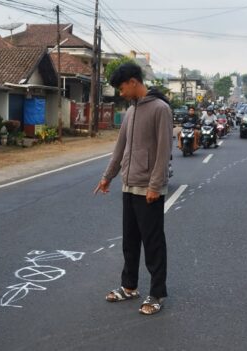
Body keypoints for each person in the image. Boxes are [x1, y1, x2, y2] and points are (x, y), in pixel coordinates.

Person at [94, 62, 172, 316]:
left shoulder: (160, 109)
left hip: (148, 189)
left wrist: (155, 185)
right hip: (129, 186)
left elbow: (163, 152)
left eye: (121, 87)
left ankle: (157, 293)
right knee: (129, 241)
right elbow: (120, 149)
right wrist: (108, 177)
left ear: (133, 82)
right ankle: (129, 287)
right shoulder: (130, 112)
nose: (120, 92)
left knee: (153, 244)